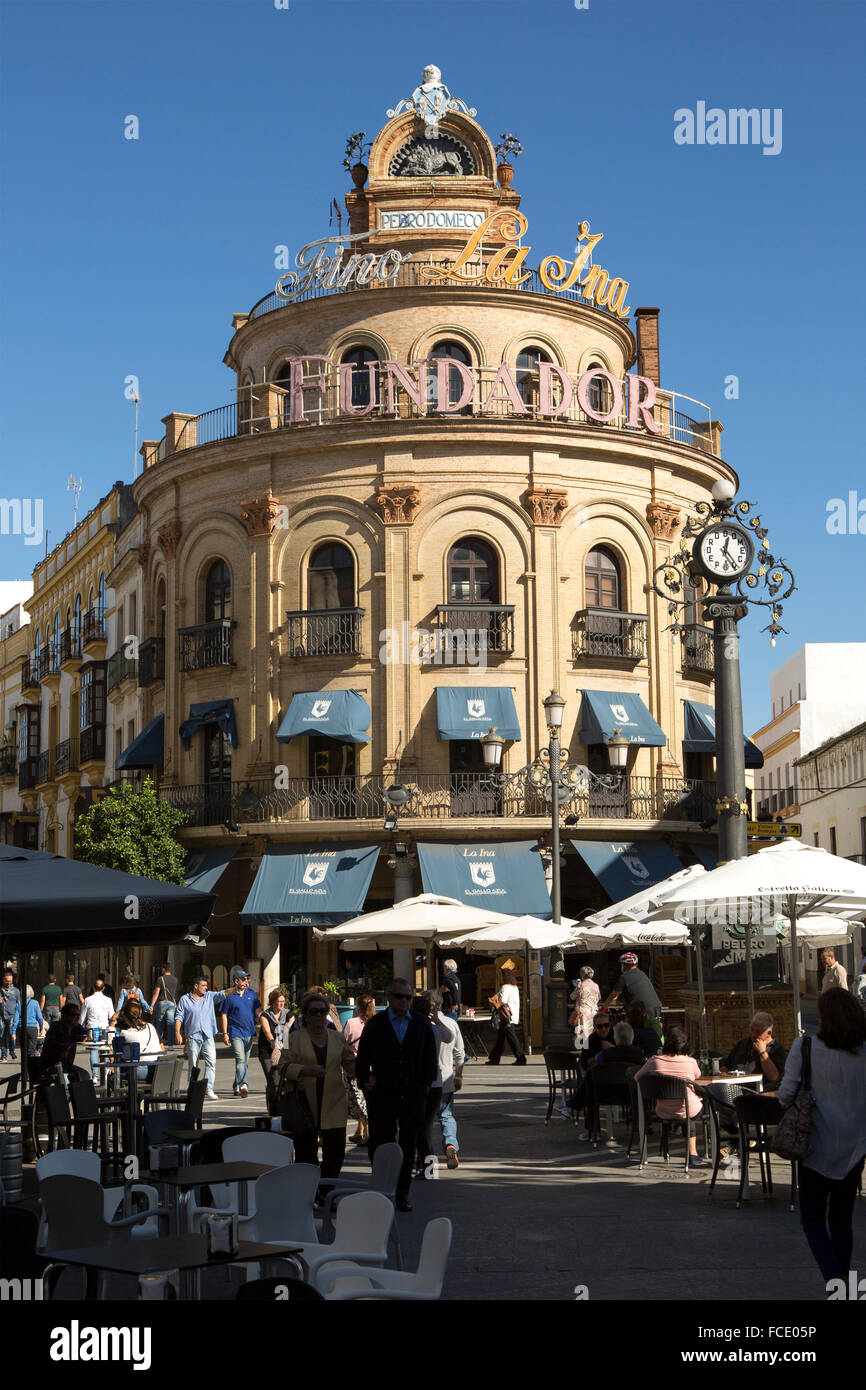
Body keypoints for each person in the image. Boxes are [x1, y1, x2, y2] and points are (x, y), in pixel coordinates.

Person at [776, 987, 866, 1286]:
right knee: (842, 1221)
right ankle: (843, 1287)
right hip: (855, 1145)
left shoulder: (805, 1047)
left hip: (814, 1143)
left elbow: (786, 1093)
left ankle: (835, 1278)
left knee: (812, 1220)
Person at [355, 978, 438, 1211]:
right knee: (381, 1143)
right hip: (382, 1094)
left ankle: (402, 1193)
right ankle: (381, 1187)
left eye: (408, 997)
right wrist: (365, 1080)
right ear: (389, 998)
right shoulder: (377, 1024)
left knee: (408, 1143)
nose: (404, 1001)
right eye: (399, 997)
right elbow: (363, 1058)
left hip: (413, 1095)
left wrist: (423, 1086)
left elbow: (430, 1059)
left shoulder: (421, 1024)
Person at [277, 990, 357, 1187]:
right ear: (305, 1015)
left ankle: (326, 1190)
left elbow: (351, 1065)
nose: (319, 1016)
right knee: (305, 1153)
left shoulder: (337, 1037)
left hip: (333, 1102)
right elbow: (282, 1066)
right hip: (304, 1104)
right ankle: (310, 1189)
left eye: (323, 1011)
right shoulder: (294, 1037)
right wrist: (305, 1070)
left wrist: (368, 1072)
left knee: (336, 1152)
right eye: (314, 1012)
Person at [634, 1026, 707, 1168]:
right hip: (689, 1109)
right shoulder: (691, 1062)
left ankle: (670, 1146)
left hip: (663, 1110)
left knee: (685, 1108)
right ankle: (693, 1152)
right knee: (692, 1107)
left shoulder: (654, 1061)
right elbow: (698, 1077)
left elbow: (637, 1078)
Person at [174, 975, 230, 1100]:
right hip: (193, 1037)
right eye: (203, 985)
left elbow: (223, 993)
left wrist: (236, 987)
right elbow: (179, 1017)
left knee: (211, 1063)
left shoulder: (209, 996)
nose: (206, 988)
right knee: (193, 1065)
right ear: (196, 986)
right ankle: (192, 1089)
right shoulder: (184, 999)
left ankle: (208, 1089)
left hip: (208, 1036)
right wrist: (177, 1032)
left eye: (206, 986)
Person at [432, 988, 464, 1170]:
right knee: (446, 1115)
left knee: (424, 1120)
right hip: (446, 1077)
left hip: (425, 1081)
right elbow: (460, 1054)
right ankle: (451, 1145)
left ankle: (426, 1159)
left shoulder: (420, 1024)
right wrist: (458, 1075)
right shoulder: (451, 1024)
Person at [219, 968, 262, 1097]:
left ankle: (236, 1084)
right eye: (243, 979)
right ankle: (244, 1084)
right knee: (241, 1059)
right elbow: (224, 1015)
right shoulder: (230, 996)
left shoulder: (252, 994)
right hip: (235, 1032)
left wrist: (264, 1020)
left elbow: (258, 1010)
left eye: (247, 979)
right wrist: (225, 1033)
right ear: (236, 981)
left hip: (249, 1032)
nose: (246, 981)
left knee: (243, 1062)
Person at [342, 994, 375, 1145]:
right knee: (366, 1100)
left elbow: (343, 1045)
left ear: (358, 1007)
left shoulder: (351, 1023)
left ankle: (368, 1133)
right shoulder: (376, 1023)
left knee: (358, 1102)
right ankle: (360, 1131)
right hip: (373, 1068)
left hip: (354, 1067)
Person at [724, 1011, 787, 1085]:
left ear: (769, 1033)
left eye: (757, 1032)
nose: (753, 1035)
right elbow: (726, 1066)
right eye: (752, 1030)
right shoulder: (743, 1044)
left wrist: (762, 1053)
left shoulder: (777, 1050)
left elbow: (774, 1077)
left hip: (757, 1091)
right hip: (732, 1088)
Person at [602, 952, 662, 1023]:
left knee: (636, 1031)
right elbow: (638, 992)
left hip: (642, 1011)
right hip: (656, 1008)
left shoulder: (625, 977)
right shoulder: (642, 974)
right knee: (654, 1032)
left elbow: (613, 996)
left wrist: (604, 1009)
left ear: (624, 965)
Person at [35, 1003, 87, 1081]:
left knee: (85, 1075)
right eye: (73, 1015)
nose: (77, 1018)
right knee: (66, 1081)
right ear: (65, 1015)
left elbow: (86, 1034)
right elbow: (63, 1041)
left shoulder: (75, 1027)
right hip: (51, 1067)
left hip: (66, 1066)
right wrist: (78, 1038)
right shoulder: (57, 1027)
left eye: (78, 1015)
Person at [258, 987, 290, 1111]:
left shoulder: (288, 1014)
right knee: (273, 1078)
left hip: (284, 1049)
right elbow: (267, 1033)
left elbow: (290, 1029)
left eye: (283, 1001)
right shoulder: (265, 1015)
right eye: (279, 1001)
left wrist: (284, 1045)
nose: (282, 1004)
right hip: (267, 1050)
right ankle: (273, 1107)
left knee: (283, 1080)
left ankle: (281, 1105)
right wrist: (274, 1043)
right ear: (273, 1002)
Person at [486, 968, 526, 1065]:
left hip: (506, 1016)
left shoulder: (505, 987)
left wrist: (494, 1000)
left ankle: (521, 1058)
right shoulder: (514, 987)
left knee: (512, 1038)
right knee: (501, 1038)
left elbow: (502, 1000)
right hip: (512, 1015)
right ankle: (495, 1058)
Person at [116, 998, 163, 1081]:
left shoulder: (125, 1033)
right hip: (157, 1070)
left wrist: (112, 1021)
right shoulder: (150, 1027)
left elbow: (119, 1053)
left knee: (114, 1076)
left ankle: (128, 1093)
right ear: (140, 1012)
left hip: (141, 1071)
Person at [569, 966, 601, 1050]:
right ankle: (591, 1050)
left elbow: (572, 997)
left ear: (582, 975)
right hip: (593, 1012)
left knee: (581, 1034)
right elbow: (598, 998)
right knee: (592, 1032)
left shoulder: (581, 985)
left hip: (583, 1013)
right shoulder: (596, 986)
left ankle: (582, 1053)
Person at [150, 964, 179, 1046]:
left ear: (164, 969)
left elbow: (156, 993)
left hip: (162, 1002)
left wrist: (152, 1005)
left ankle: (159, 1043)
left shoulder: (160, 979)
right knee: (170, 1023)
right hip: (172, 1003)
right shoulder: (175, 979)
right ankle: (170, 1045)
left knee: (160, 1023)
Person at [0, 970, 21, 1061]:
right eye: (7, 981)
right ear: (3, 980)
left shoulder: (16, 991)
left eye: (10, 981)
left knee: (12, 1034)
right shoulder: (0, 991)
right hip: (1, 1016)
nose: (9, 983)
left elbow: (19, 1005)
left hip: (12, 1016)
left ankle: (12, 1051)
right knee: (2, 1035)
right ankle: (4, 1054)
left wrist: (19, 1016)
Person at [22, 994, 44, 1058]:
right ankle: (30, 1062)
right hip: (32, 1028)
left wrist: (14, 1031)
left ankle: (24, 1062)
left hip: (22, 1027)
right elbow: (39, 1017)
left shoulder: (19, 1002)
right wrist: (41, 1027)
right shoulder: (35, 1003)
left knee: (23, 1047)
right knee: (32, 1048)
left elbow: (16, 1017)